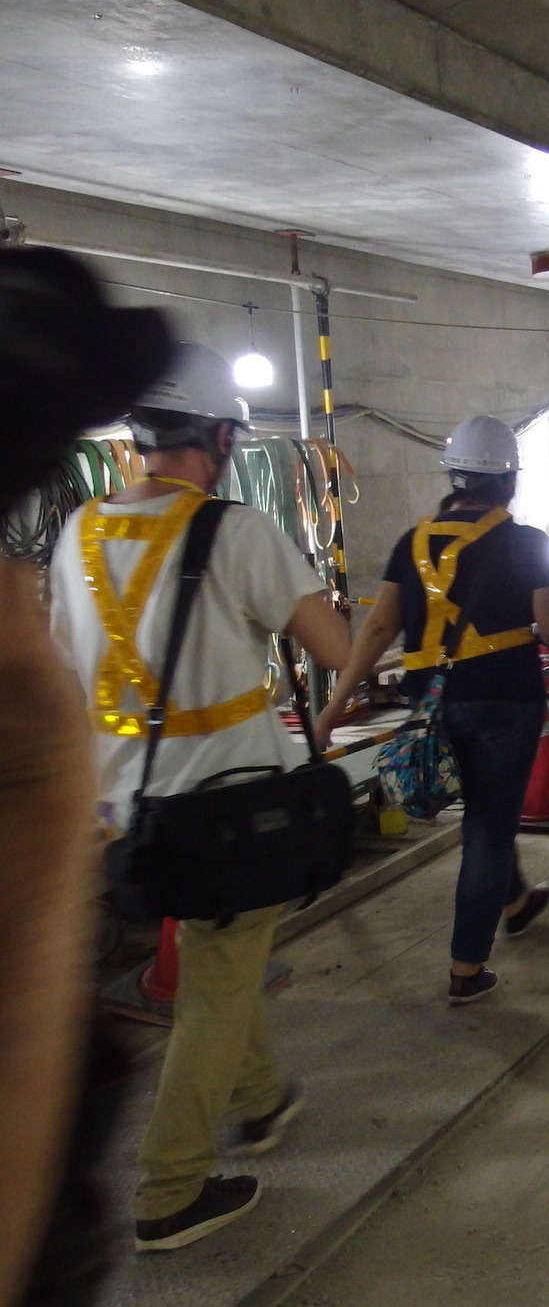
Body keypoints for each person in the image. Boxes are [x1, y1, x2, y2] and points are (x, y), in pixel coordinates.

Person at [47, 342, 352, 1253]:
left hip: (122, 813)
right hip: (226, 811)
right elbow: (334, 648)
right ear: (220, 437)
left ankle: (262, 1101)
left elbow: (67, 672)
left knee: (221, 964)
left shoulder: (79, 533)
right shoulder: (236, 530)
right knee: (220, 983)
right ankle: (171, 1186)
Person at [0, 248, 171, 1300]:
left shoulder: (77, 533)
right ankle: (183, 1170)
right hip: (206, 779)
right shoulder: (21, 722)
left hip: (132, 777)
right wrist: (44, 790)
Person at [316, 415, 549, 1006]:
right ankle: (466, 966)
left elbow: (380, 625)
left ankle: (517, 900)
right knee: (487, 823)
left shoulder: (413, 541)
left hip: (431, 702)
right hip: (503, 700)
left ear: (453, 474)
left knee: (490, 809)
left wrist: (334, 704)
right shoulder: (527, 540)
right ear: (509, 480)